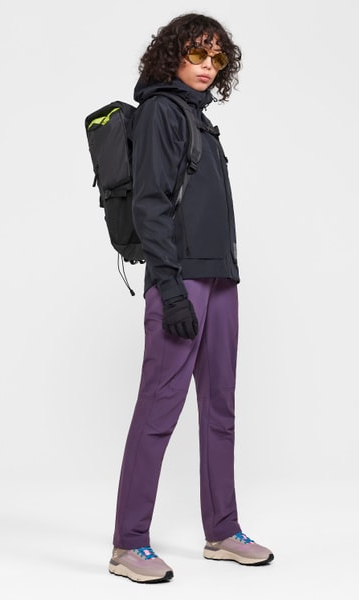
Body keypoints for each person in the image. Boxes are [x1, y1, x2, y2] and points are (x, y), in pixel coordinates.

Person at [108, 13, 274, 583]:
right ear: (172, 55)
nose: (207, 65)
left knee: (220, 409)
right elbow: (151, 203)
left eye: (216, 57)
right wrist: (171, 289)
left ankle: (222, 531)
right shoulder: (161, 111)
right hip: (181, 283)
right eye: (197, 54)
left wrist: (223, 274)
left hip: (220, 279)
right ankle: (129, 544)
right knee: (159, 410)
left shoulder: (200, 120)